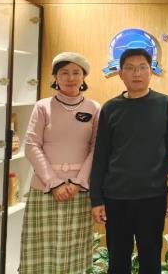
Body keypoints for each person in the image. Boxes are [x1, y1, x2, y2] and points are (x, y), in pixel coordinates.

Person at [90, 48, 168, 274]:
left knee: (150, 259)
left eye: (142, 68)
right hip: (116, 196)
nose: (136, 73)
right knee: (118, 260)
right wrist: (96, 199)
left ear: (151, 71)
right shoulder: (110, 108)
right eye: (130, 68)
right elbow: (101, 156)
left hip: (153, 196)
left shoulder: (166, 105)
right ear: (120, 73)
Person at [20, 52, 100, 274]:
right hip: (45, 189)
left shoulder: (94, 108)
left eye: (76, 72)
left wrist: (77, 182)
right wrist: (54, 183)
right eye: (64, 72)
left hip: (79, 191)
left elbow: (97, 149)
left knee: (75, 255)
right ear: (55, 76)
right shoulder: (42, 106)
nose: (70, 78)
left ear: (84, 77)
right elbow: (31, 145)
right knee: (40, 254)